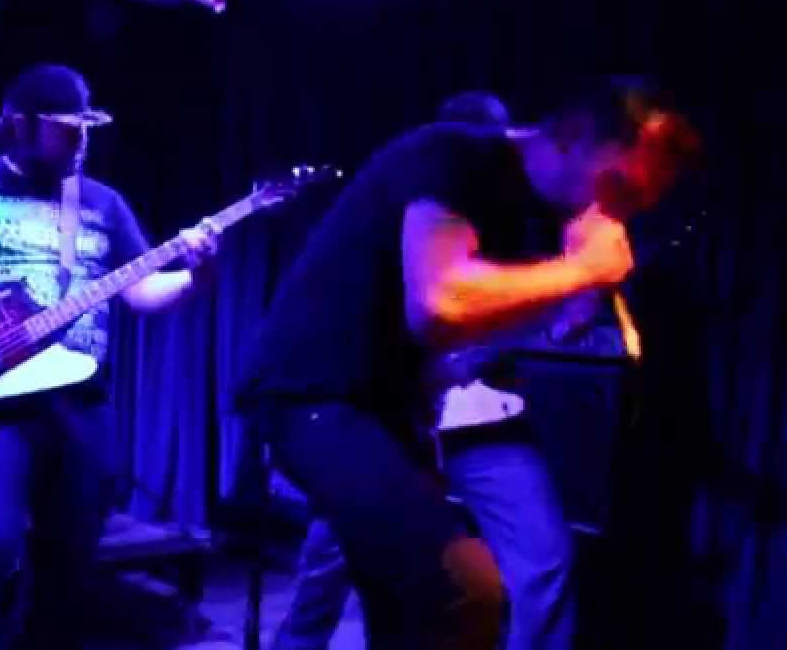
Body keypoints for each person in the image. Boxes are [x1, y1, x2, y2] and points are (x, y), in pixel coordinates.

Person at [237, 76, 698, 649]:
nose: (618, 213)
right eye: (618, 187)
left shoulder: (536, 210)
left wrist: (566, 301)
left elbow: (460, 337)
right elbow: (439, 304)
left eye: (637, 203)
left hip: (388, 408)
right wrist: (582, 271)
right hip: (313, 394)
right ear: (574, 134)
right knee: (462, 589)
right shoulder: (455, 156)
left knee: (408, 605)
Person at [0, 63, 220, 648]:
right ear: (18, 125)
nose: (81, 140)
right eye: (66, 128)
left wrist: (197, 277)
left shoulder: (104, 203)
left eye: (86, 128)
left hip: (80, 405)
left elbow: (141, 292)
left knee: (68, 567)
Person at [273, 91, 585, 650]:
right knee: (332, 566)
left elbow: (552, 322)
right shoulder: (410, 208)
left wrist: (563, 301)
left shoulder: (519, 220)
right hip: (385, 420)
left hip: (482, 419)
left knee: (543, 559)